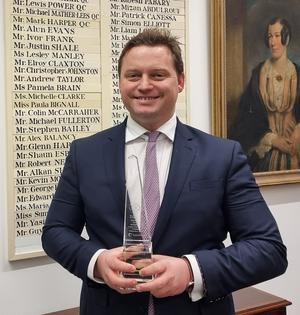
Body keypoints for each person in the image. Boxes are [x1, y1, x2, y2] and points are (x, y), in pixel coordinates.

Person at [42, 29, 287, 315]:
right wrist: (95, 261)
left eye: (158, 75)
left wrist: (190, 270)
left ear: (180, 81)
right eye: (133, 75)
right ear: (120, 82)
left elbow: (268, 250)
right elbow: (55, 232)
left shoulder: (223, 156)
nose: (144, 85)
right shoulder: (84, 153)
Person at [229, 17, 300, 172]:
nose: (272, 42)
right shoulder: (258, 74)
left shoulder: (297, 73)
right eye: (270, 36)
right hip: (267, 154)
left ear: (286, 38)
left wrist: (298, 129)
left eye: (277, 35)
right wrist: (272, 139)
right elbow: (244, 118)